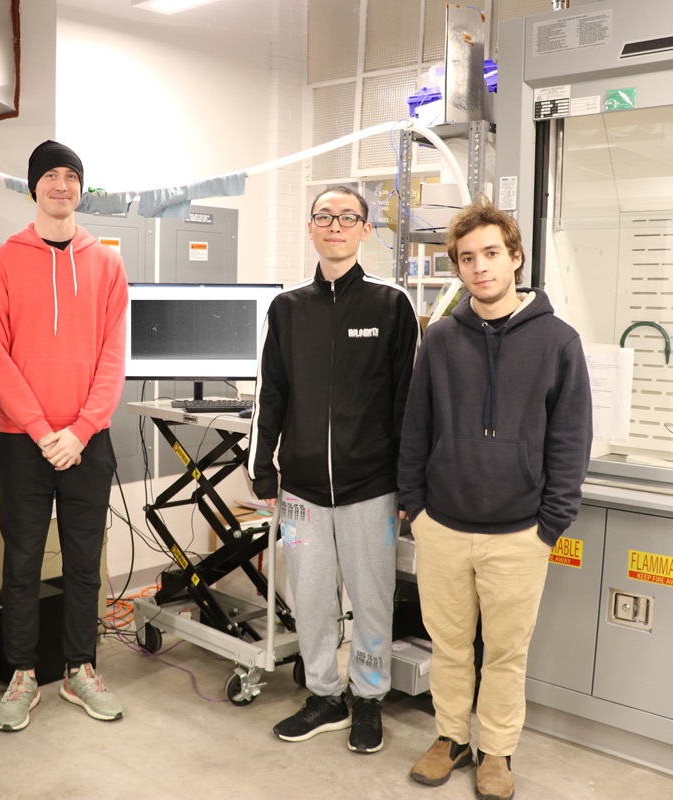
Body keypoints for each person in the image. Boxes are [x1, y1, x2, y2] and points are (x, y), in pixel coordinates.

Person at [397, 196, 592, 800]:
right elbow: (415, 427)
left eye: (490, 254)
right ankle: (451, 737)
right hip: (443, 526)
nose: (479, 268)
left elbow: (570, 438)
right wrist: (416, 507)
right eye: (466, 259)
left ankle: (498, 751)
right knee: (450, 644)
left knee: (506, 652)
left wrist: (550, 522)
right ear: (456, 269)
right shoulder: (441, 340)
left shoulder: (559, 341)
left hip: (519, 533)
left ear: (514, 257)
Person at [248, 185, 420, 754]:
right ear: (311, 227)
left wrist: (408, 482)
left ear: (366, 230)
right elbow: (269, 394)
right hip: (300, 494)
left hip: (372, 489)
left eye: (348, 217)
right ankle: (324, 695)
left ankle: (368, 699)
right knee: (310, 595)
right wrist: (262, 469)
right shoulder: (286, 309)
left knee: (371, 598)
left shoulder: (391, 306)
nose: (335, 226)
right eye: (324, 216)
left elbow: (408, 403)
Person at [0, 140, 128, 732]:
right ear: (33, 186)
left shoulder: (107, 263)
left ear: (80, 188)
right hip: (24, 441)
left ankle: (80, 669)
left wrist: (82, 429)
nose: (61, 186)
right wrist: (43, 431)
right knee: (20, 560)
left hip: (88, 441)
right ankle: (20, 673)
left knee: (85, 562)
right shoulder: (2, 262)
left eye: (72, 177)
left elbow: (114, 357)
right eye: (51, 177)